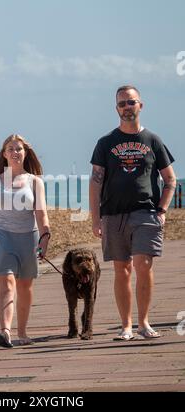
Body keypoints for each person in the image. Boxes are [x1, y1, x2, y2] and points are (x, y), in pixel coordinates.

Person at [89, 85, 176, 341]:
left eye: (131, 102)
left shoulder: (153, 141)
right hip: (114, 214)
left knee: (143, 264)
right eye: (122, 104)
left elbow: (169, 179)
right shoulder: (105, 143)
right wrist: (96, 218)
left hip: (145, 212)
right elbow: (95, 182)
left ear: (141, 105)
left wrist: (162, 210)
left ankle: (144, 323)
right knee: (122, 268)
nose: (127, 107)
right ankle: (126, 326)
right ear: (116, 108)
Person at [0, 134, 50, 348]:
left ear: (25, 153)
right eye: (10, 149)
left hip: (29, 237)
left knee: (25, 286)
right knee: (7, 283)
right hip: (3, 237)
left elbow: (41, 213)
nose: (15, 152)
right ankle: (5, 332)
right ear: (4, 154)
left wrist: (45, 237)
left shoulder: (35, 181)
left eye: (18, 149)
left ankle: (22, 331)